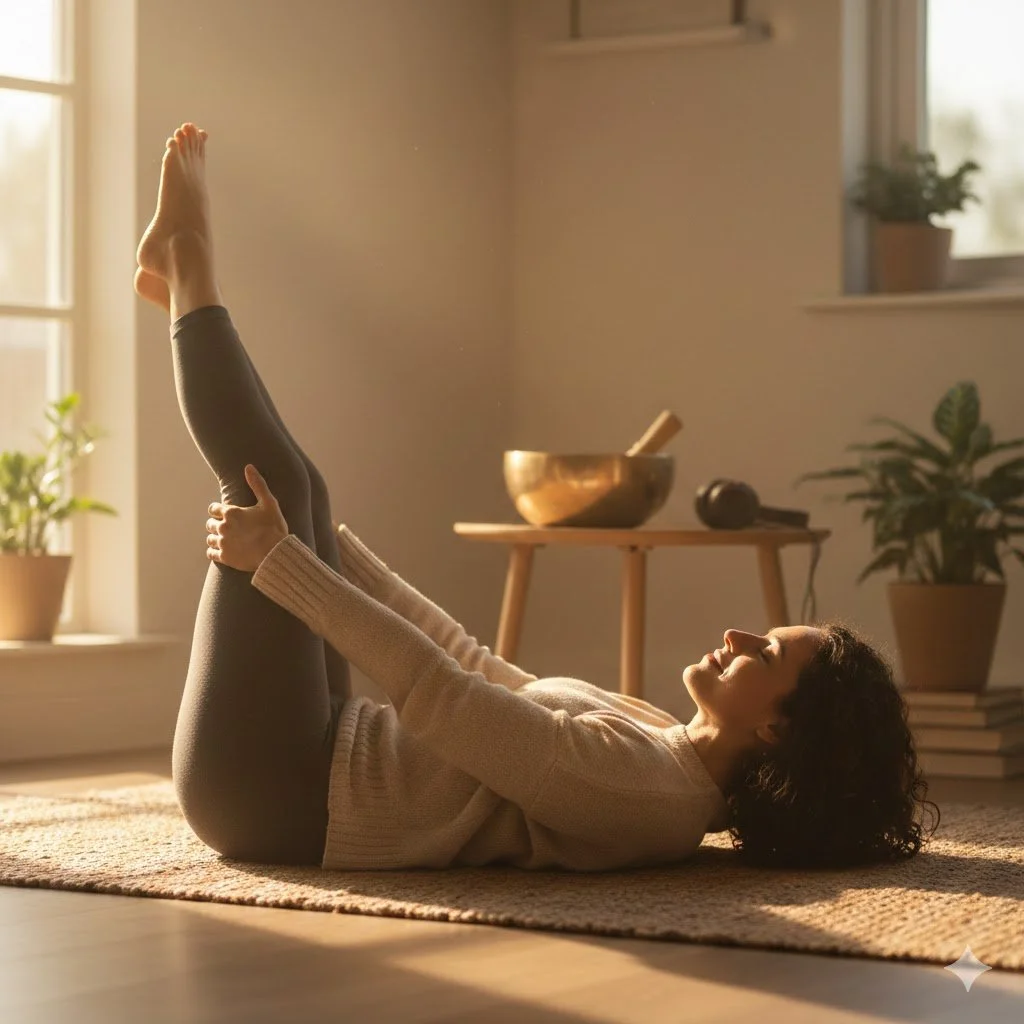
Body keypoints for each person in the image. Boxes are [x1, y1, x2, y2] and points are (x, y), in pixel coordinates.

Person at [136, 123, 940, 873]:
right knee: (300, 488)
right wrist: (318, 545)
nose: (739, 634)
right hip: (323, 750)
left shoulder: (653, 799)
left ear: (776, 729)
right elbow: (473, 666)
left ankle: (189, 260)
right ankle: (182, 272)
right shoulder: (661, 741)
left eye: (767, 652)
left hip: (274, 797)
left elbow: (444, 699)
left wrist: (285, 561)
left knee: (261, 473)